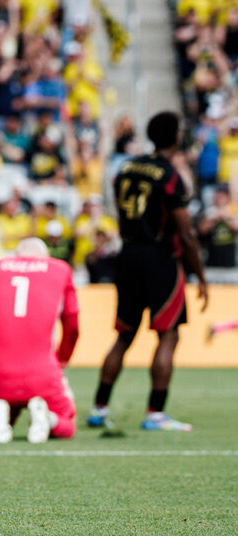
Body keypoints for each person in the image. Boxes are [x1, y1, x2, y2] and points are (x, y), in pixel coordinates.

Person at [88, 111, 208, 432]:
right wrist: (201, 276)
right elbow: (185, 233)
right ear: (176, 136)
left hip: (127, 254)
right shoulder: (169, 175)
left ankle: (99, 407)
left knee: (124, 335)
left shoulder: (126, 167)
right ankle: (155, 413)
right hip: (160, 259)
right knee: (168, 335)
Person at [0, 238, 80, 444]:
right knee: (67, 424)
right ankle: (49, 420)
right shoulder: (60, 269)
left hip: (0, 374)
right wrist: (61, 361)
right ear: (45, 256)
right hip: (44, 374)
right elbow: (72, 326)